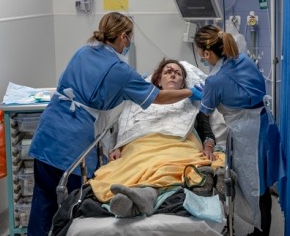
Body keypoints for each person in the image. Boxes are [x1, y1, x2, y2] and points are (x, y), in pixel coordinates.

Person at [27, 12, 202, 236]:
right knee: (71, 204)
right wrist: (189, 92)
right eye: (129, 37)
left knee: (42, 201)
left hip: (50, 129)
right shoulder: (121, 71)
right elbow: (158, 97)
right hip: (73, 140)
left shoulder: (83, 51)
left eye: (177, 73)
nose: (129, 43)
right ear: (122, 37)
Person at [88, 58, 224, 217]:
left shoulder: (192, 100)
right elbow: (125, 125)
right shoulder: (140, 100)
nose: (173, 75)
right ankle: (142, 197)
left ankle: (143, 196)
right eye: (168, 72)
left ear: (183, 83)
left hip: (179, 144)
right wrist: (118, 146)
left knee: (167, 164)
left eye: (177, 73)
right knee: (137, 164)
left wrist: (208, 146)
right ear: (158, 81)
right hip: (142, 145)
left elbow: (205, 128)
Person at [194, 25, 282, 236]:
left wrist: (208, 141)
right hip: (264, 125)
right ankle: (258, 233)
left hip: (247, 136)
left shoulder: (214, 82)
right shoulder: (243, 59)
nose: (201, 59)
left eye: (200, 54)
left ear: (206, 53)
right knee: (261, 187)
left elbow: (203, 115)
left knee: (254, 188)